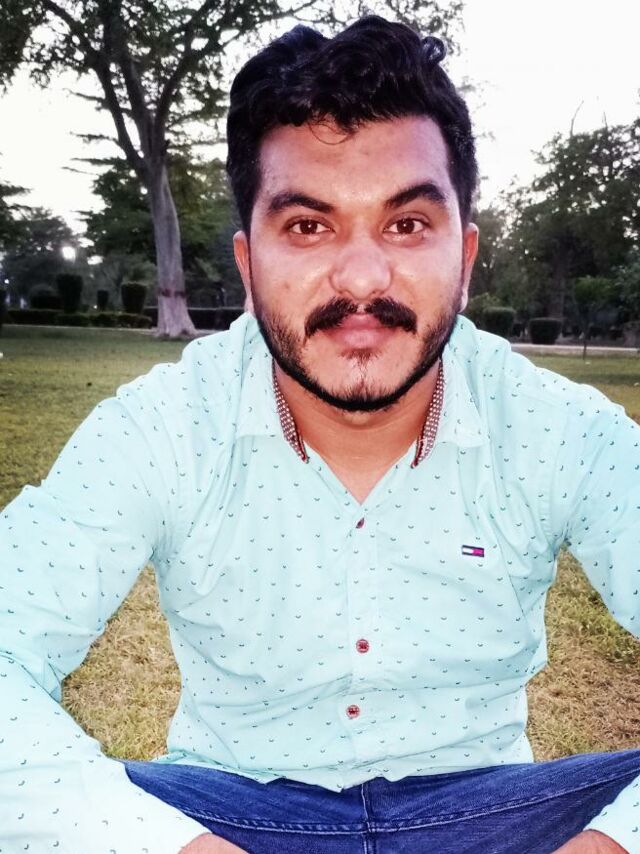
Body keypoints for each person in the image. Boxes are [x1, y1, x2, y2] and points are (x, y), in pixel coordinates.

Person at [1, 15, 639, 854]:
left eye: (407, 225)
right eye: (308, 226)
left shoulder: (559, 430)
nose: (363, 277)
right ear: (249, 263)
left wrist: (605, 847)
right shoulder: (161, 427)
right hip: (231, 812)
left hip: (492, 823)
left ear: (465, 256)